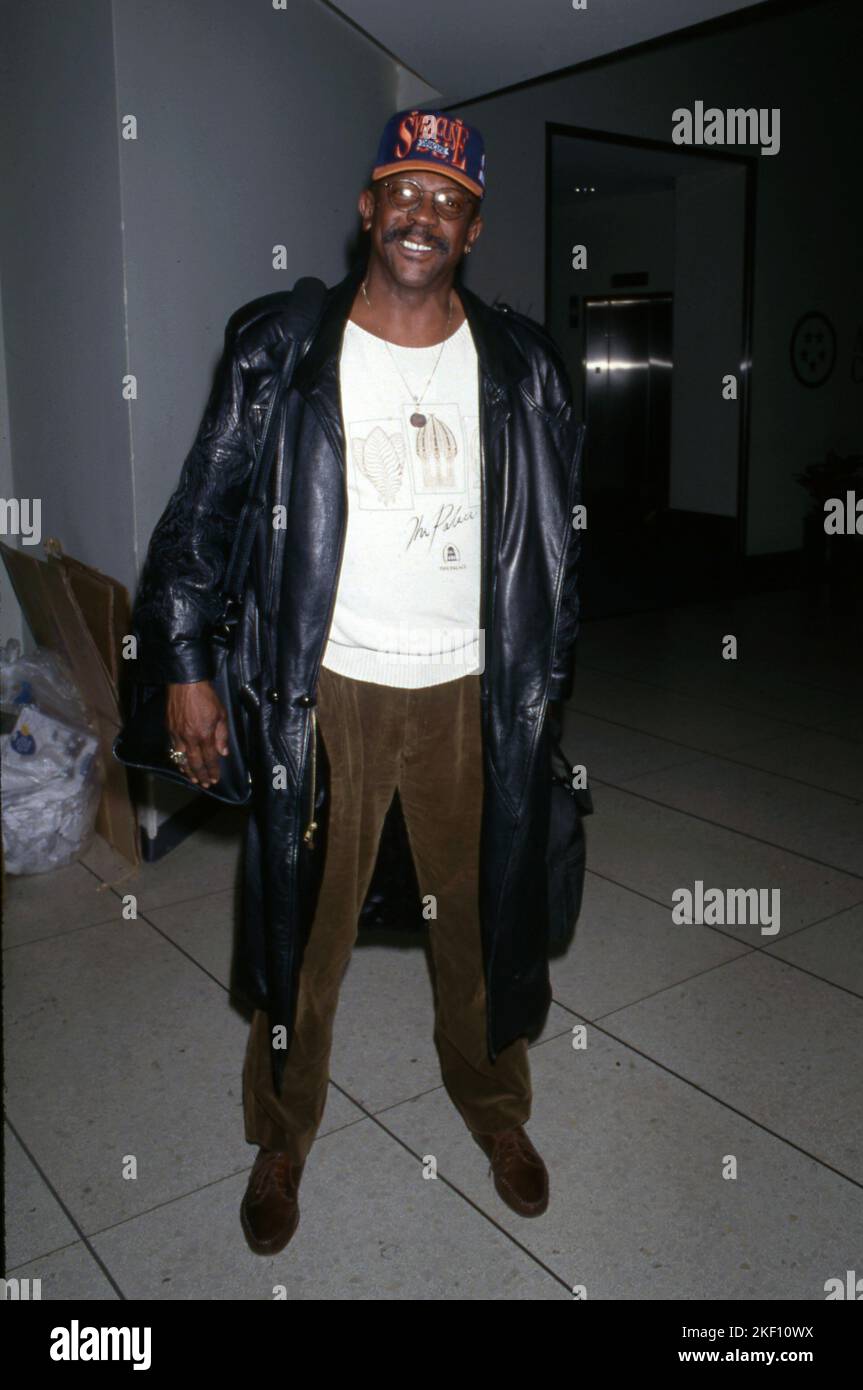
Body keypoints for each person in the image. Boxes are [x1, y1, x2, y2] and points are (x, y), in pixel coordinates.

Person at [130, 107, 586, 1257]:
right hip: (321, 689)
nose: (421, 215)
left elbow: (553, 551)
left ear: (470, 228)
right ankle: (281, 1135)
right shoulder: (283, 350)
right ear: (368, 207)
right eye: (404, 191)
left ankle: (495, 1108)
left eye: (447, 200)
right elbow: (200, 514)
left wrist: (544, 693)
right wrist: (184, 662)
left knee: (478, 915)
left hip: (471, 692)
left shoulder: (523, 367)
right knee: (304, 928)